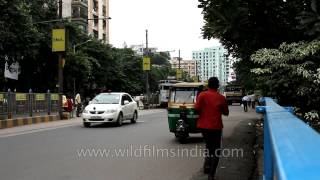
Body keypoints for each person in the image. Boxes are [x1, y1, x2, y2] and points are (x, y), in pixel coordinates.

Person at [195, 77, 229, 180]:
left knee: (209, 145)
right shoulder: (221, 98)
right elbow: (226, 113)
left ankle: (207, 166)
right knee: (216, 150)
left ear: (208, 85)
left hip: (203, 126)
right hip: (215, 127)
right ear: (218, 86)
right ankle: (211, 175)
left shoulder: (202, 95)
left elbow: (196, 109)